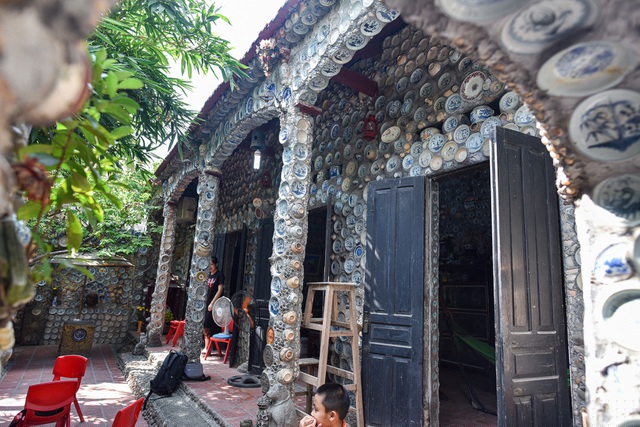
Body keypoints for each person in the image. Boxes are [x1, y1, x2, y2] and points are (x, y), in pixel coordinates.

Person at [204, 256, 225, 351]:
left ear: (216, 264)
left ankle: (208, 347)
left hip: (215, 304)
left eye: (212, 264)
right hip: (206, 302)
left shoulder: (219, 275)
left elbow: (220, 290)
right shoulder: (207, 275)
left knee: (209, 324)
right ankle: (207, 347)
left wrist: (212, 303)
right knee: (205, 325)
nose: (210, 267)